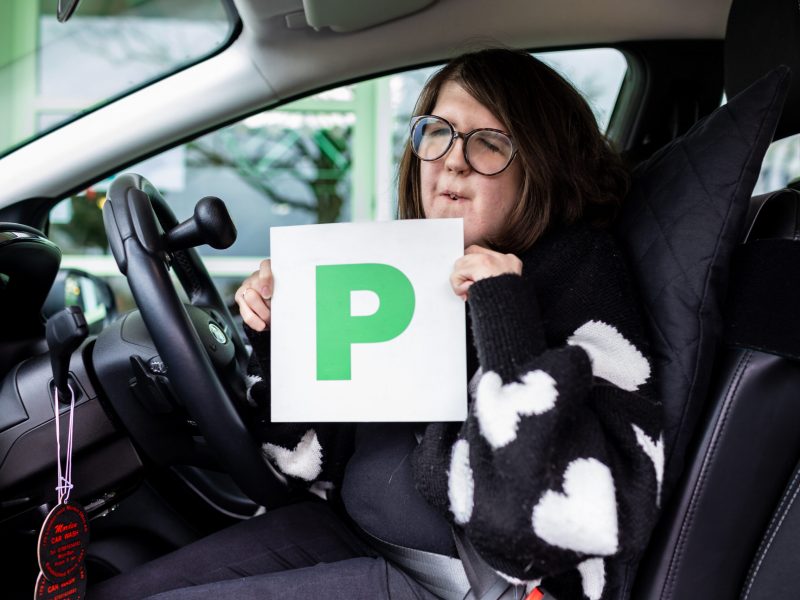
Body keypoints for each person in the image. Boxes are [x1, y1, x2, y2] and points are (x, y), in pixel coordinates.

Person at [91, 48, 662, 600]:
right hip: (349, 535)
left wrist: (503, 310)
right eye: (437, 133)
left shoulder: (576, 267)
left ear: (544, 167)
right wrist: (282, 335)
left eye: (490, 143)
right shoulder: (410, 271)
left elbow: (550, 512)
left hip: (461, 583)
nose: (453, 160)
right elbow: (303, 464)